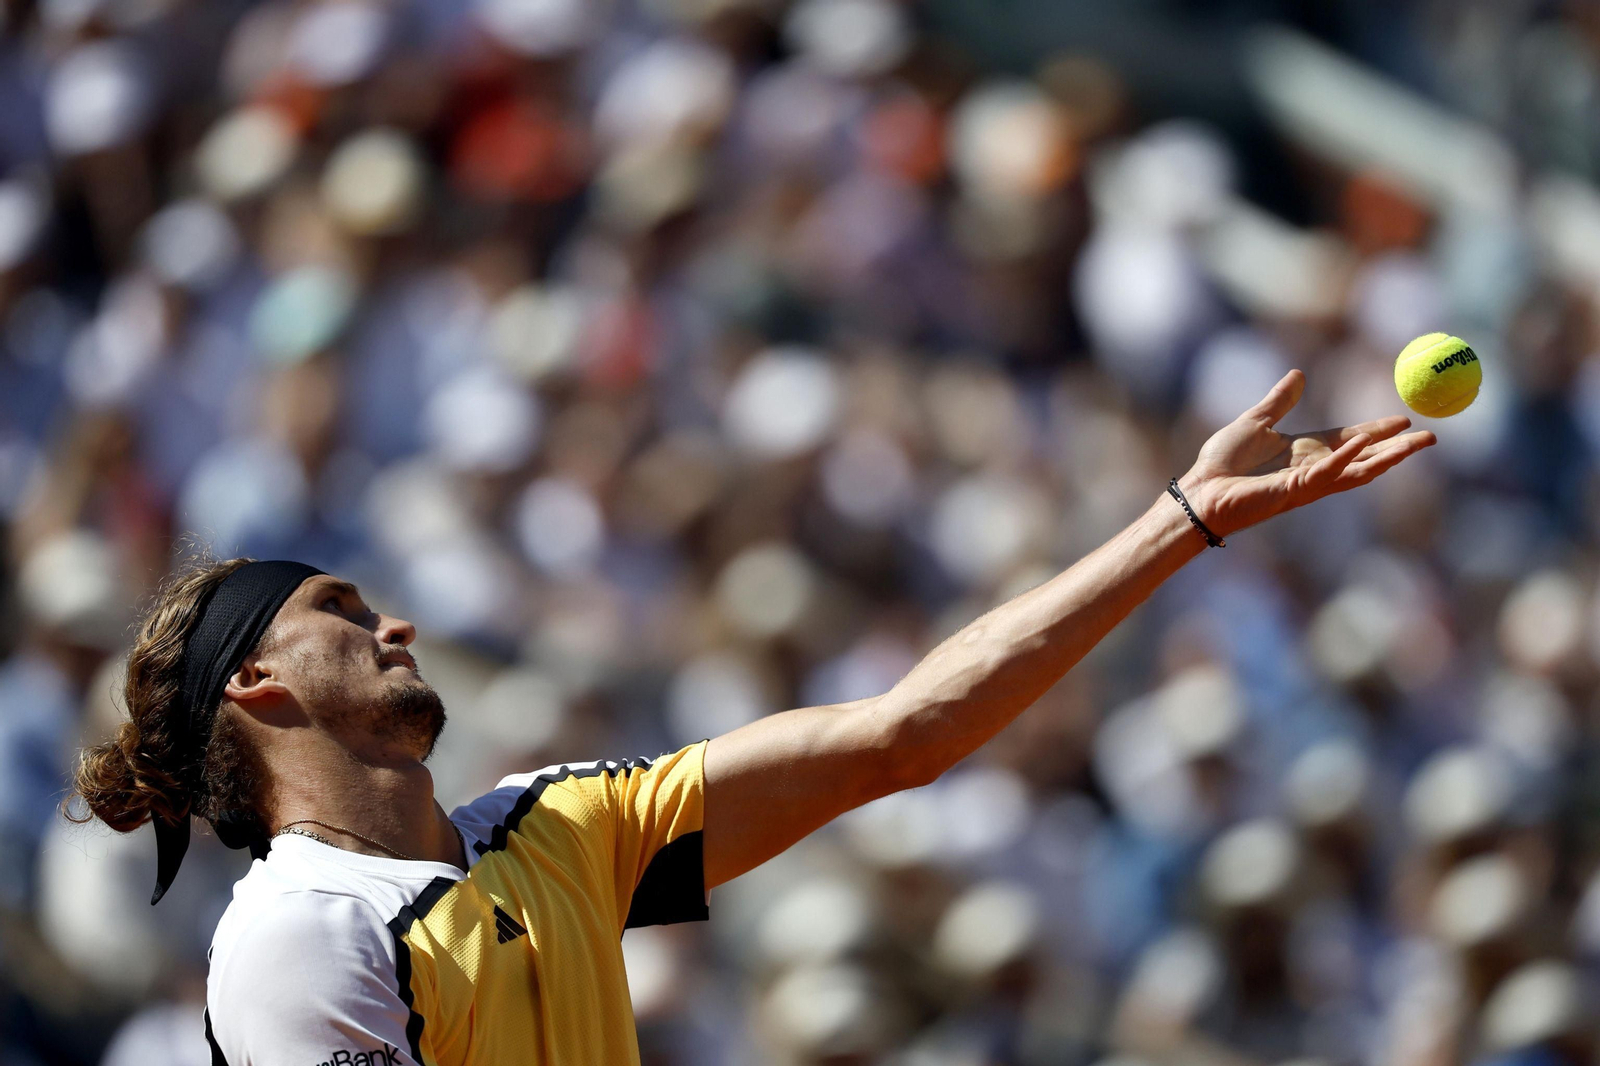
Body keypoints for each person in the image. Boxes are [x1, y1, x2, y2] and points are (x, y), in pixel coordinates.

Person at [68, 371, 1433, 1065]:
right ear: (259, 682)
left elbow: (907, 733)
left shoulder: (567, 833)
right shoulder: (296, 933)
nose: (394, 622)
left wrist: (1177, 521)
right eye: (343, 607)